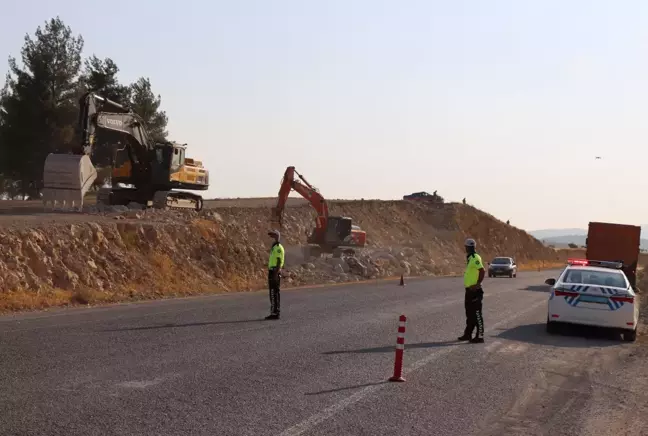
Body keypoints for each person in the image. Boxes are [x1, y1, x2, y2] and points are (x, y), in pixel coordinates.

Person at [458, 238, 485, 343]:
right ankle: (468, 334)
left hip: (475, 291)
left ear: (468, 247)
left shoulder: (475, 257)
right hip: (469, 290)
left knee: (477, 313)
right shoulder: (470, 258)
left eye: (466, 247)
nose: (466, 248)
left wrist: (477, 284)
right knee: (469, 313)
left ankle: (480, 336)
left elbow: (482, 270)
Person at [266, 230, 285, 320]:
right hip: (272, 270)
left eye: (274, 235)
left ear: (277, 236)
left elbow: (278, 262)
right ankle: (274, 312)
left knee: (274, 293)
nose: (272, 237)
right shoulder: (275, 246)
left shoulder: (278, 247)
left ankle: (275, 313)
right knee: (273, 292)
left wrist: (275, 274)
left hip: (275, 271)